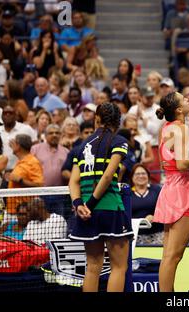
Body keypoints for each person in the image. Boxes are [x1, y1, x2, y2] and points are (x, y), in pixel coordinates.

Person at [69, 102, 133, 292]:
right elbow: (107, 176)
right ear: (118, 121)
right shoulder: (119, 141)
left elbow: (73, 181)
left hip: (86, 213)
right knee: (119, 267)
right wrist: (91, 203)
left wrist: (80, 204)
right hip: (110, 208)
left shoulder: (81, 146)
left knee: (93, 266)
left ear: (97, 118)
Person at [154, 92, 189, 292]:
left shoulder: (165, 128)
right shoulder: (182, 128)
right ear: (179, 110)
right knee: (173, 256)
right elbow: (183, 164)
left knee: (169, 255)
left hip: (169, 189)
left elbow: (168, 161)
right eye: (184, 99)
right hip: (183, 190)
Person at [130, 164, 163, 245]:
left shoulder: (157, 190)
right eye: (137, 174)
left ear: (148, 176)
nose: (141, 176)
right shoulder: (127, 194)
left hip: (156, 235)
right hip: (134, 236)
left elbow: (165, 209)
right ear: (132, 177)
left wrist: (155, 217)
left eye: (143, 173)